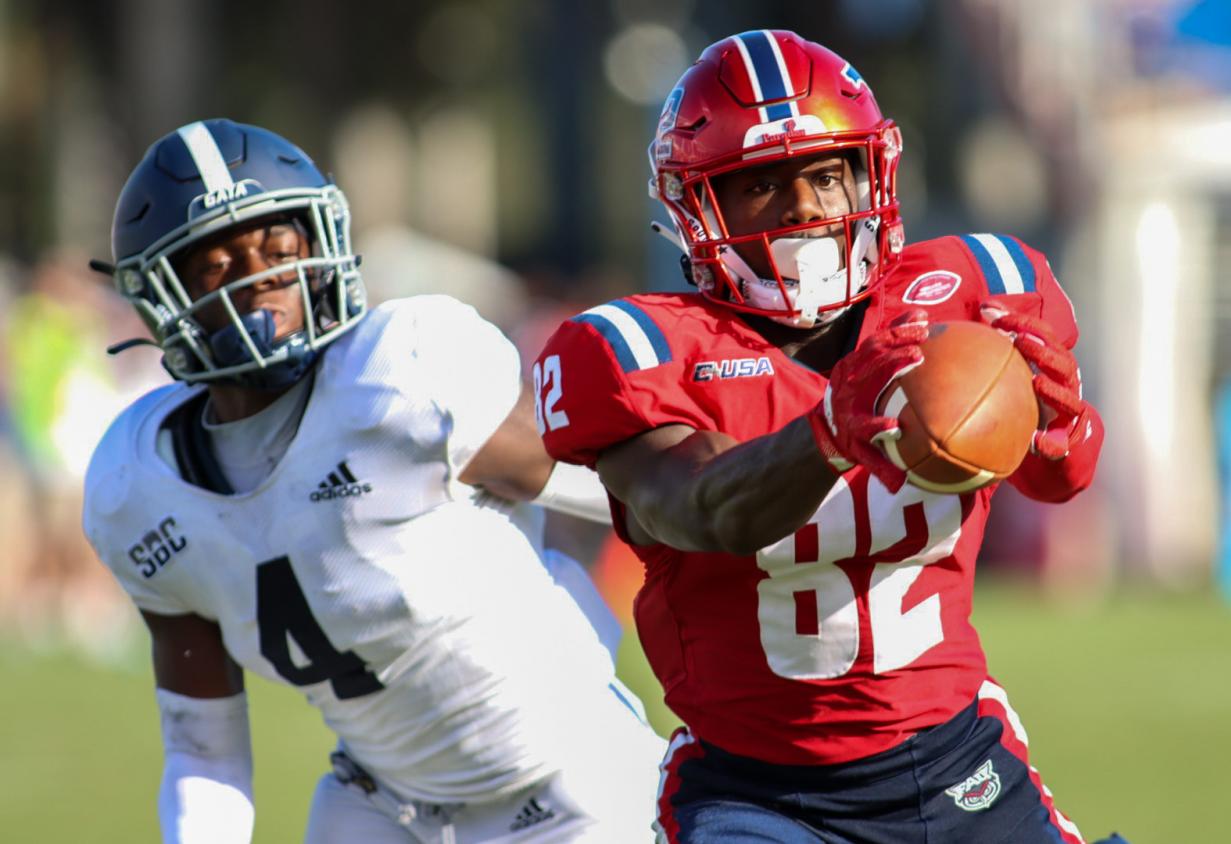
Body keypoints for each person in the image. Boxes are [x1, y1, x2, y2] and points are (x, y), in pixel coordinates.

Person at [538, 30, 1125, 844]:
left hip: (959, 761)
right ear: (695, 205)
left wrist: (1060, 438)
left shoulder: (971, 290)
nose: (805, 208)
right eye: (761, 185)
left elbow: (1056, 481)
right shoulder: (640, 348)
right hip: (762, 794)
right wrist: (824, 431)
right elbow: (699, 507)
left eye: (823, 174)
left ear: (870, 173)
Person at [81, 119, 665, 844]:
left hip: (566, 780)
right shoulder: (138, 486)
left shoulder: (400, 376)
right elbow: (204, 751)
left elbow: (646, 494)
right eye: (217, 267)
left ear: (319, 245)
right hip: (380, 804)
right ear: (164, 297)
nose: (259, 283)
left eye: (278, 248)